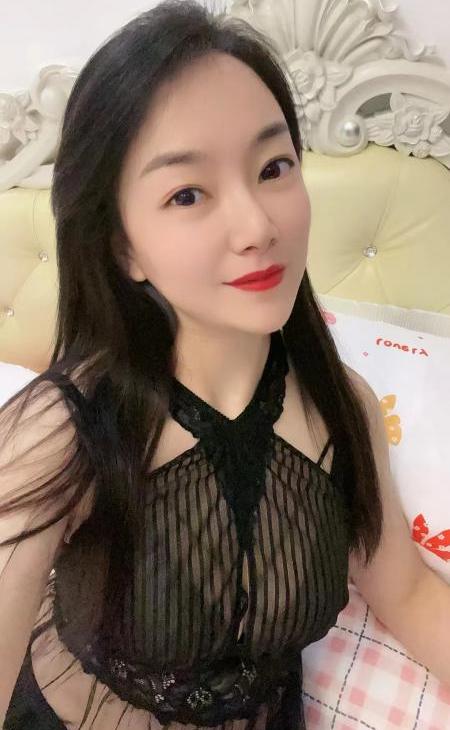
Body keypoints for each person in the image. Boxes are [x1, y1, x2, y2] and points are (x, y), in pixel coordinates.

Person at [1, 2, 449, 728]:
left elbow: (407, 593)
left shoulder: (344, 408)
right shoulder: (61, 429)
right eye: (187, 193)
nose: (258, 226)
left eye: (274, 168)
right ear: (122, 246)